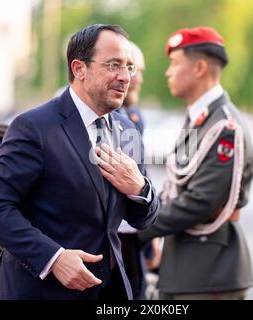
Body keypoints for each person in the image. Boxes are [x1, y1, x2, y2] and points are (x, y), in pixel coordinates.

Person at [0, 24, 159, 300]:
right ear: (79, 69)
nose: (125, 77)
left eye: (129, 68)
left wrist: (139, 188)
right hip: (42, 292)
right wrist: (54, 258)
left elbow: (142, 218)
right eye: (113, 65)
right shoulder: (34, 127)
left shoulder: (127, 129)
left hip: (110, 291)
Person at [138, 26, 253, 300]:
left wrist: (138, 228)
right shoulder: (200, 118)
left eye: (175, 63)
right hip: (188, 269)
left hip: (209, 272)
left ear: (200, 68)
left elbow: (201, 202)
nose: (168, 72)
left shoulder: (224, 125)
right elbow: (176, 185)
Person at [115, 41, 148, 299]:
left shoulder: (134, 118)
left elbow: (141, 179)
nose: (135, 79)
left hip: (130, 236)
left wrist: (152, 238)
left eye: (135, 70)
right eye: (132, 69)